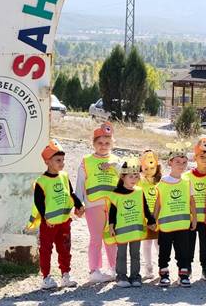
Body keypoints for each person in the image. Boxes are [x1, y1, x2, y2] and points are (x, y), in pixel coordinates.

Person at [28, 139, 85, 289]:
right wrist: (45, 217)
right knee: (46, 250)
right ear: (47, 161)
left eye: (63, 160)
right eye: (58, 160)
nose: (62, 163)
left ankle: (66, 275)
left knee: (65, 249)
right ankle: (46, 278)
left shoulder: (64, 176)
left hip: (64, 222)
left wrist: (79, 204)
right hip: (49, 224)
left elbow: (70, 193)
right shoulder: (41, 181)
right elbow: (39, 202)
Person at [76, 123, 119, 283]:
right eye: (100, 143)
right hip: (93, 205)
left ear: (112, 144)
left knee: (112, 237)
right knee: (95, 238)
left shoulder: (116, 160)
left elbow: (126, 178)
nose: (103, 146)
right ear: (93, 143)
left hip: (113, 206)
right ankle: (94, 270)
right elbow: (80, 183)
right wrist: (78, 203)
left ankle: (114, 268)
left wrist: (115, 165)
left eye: (107, 143)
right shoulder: (86, 161)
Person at [106, 156, 156, 288]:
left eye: (136, 176)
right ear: (123, 177)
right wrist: (111, 226)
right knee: (121, 254)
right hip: (121, 231)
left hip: (136, 230)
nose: (134, 179)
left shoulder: (139, 191)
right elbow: (112, 212)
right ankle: (121, 276)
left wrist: (151, 220)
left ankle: (135, 276)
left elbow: (145, 207)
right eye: (131, 176)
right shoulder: (116, 194)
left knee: (135, 254)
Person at [154, 142, 197, 287]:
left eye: (184, 162)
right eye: (178, 162)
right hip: (166, 225)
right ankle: (164, 274)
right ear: (170, 162)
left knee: (183, 251)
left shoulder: (187, 182)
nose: (181, 165)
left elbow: (192, 201)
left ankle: (183, 275)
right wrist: (153, 219)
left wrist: (195, 218)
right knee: (164, 250)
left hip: (183, 225)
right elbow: (158, 203)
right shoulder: (163, 182)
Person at [184, 137, 206, 280]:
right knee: (188, 244)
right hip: (192, 217)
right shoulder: (187, 176)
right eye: (201, 156)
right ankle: (187, 267)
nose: (204, 159)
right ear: (195, 157)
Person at [138, 149, 161, 279]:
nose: (148, 170)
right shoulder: (139, 181)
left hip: (157, 216)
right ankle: (148, 267)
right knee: (146, 244)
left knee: (158, 243)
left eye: (151, 168)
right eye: (145, 168)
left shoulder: (160, 181)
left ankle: (161, 266)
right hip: (144, 217)